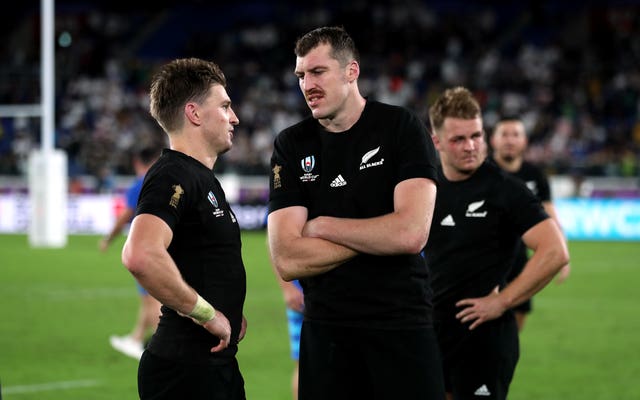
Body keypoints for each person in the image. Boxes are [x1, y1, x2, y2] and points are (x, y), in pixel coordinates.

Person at [267, 26, 445, 400]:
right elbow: (287, 258)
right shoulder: (291, 144)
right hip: (326, 331)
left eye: (318, 72)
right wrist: (383, 234)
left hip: (401, 325)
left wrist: (324, 227)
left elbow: (412, 234)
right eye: (301, 75)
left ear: (352, 72)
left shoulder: (401, 128)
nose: (307, 84)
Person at [424, 86, 570, 400]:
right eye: (458, 139)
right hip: (430, 332)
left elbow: (555, 250)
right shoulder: (423, 185)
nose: (471, 146)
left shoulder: (506, 190)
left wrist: (503, 301)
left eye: (476, 136)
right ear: (436, 141)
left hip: (484, 339)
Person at [121, 57, 247, 400]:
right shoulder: (172, 175)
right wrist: (208, 314)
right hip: (186, 371)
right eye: (224, 106)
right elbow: (140, 255)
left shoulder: (199, 177)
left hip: (209, 365)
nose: (234, 117)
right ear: (194, 113)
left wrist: (230, 309)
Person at [490, 116, 571, 331]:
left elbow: (549, 214)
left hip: (521, 264)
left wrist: (561, 250)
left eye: (515, 135)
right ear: (493, 140)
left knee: (513, 336)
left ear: (524, 141)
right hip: (485, 263)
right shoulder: (482, 171)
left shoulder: (535, 175)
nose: (510, 140)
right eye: (504, 134)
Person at [100, 146, 162, 360]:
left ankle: (162, 348)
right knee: (150, 299)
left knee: (152, 302)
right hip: (164, 247)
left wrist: (108, 240)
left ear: (137, 162)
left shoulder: (140, 185)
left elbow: (125, 216)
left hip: (147, 249)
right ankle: (136, 339)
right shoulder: (164, 183)